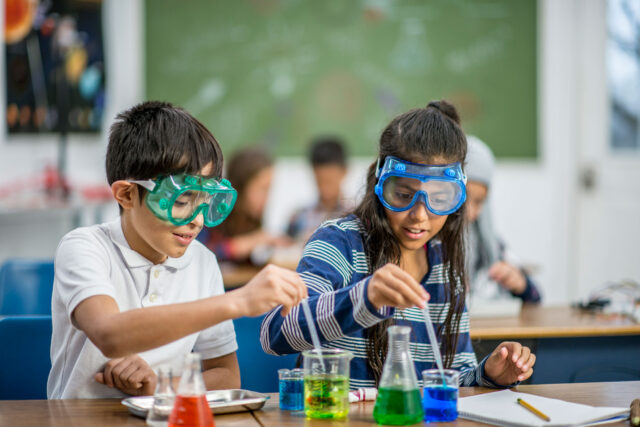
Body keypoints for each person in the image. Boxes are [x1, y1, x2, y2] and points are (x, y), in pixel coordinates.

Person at [260, 101, 536, 388]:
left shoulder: (445, 268)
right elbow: (274, 333)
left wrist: (487, 375)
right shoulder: (339, 242)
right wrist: (364, 297)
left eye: (439, 199)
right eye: (403, 194)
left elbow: (450, 375)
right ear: (381, 183)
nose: (419, 215)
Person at [47, 101, 307, 399]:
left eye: (204, 202)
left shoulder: (202, 262)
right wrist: (239, 301)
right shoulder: (84, 247)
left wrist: (158, 387)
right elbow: (110, 334)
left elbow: (226, 375)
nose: (197, 220)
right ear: (127, 194)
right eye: (182, 201)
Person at [465, 135, 541, 303]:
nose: (470, 213)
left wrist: (519, 282)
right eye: (463, 197)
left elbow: (535, 296)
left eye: (479, 202)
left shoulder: (489, 241)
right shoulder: (428, 241)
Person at [202, 146, 291, 264]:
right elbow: (201, 252)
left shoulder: (250, 219)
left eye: (269, 189)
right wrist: (249, 242)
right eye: (263, 189)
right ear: (241, 186)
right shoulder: (212, 212)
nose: (267, 198)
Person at [286, 136, 353, 241]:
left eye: (329, 180)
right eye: (319, 180)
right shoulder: (298, 217)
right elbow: (285, 248)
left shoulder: (357, 214)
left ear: (344, 171)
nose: (325, 188)